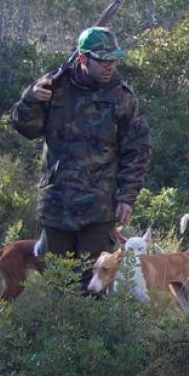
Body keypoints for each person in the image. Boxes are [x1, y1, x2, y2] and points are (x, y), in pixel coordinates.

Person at [11, 26, 152, 292]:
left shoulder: (121, 96)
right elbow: (26, 128)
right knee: (58, 283)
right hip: (57, 204)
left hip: (99, 207)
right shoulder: (54, 87)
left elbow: (138, 148)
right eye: (103, 61)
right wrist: (30, 100)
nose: (110, 66)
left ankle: (92, 322)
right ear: (83, 58)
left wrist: (127, 196)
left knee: (94, 285)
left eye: (114, 60)